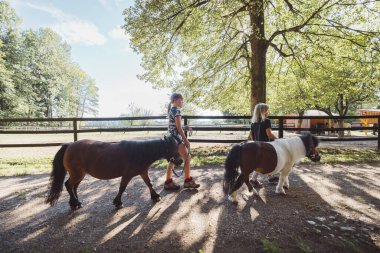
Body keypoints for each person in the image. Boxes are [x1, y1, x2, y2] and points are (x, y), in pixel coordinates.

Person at [164, 93, 200, 190]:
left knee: (172, 160)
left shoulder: (172, 110)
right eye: (179, 100)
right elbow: (179, 128)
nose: (181, 102)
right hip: (176, 139)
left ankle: (168, 182)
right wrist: (186, 140)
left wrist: (186, 127)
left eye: (182, 100)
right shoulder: (177, 111)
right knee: (187, 158)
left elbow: (175, 125)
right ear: (174, 101)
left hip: (170, 138)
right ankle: (188, 181)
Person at [248, 103, 278, 187]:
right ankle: (254, 179)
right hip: (265, 146)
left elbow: (250, 135)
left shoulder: (253, 122)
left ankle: (271, 177)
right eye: (267, 110)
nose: (268, 112)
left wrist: (255, 141)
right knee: (266, 161)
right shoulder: (266, 121)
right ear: (263, 111)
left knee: (262, 162)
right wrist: (279, 139)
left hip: (257, 145)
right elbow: (269, 134)